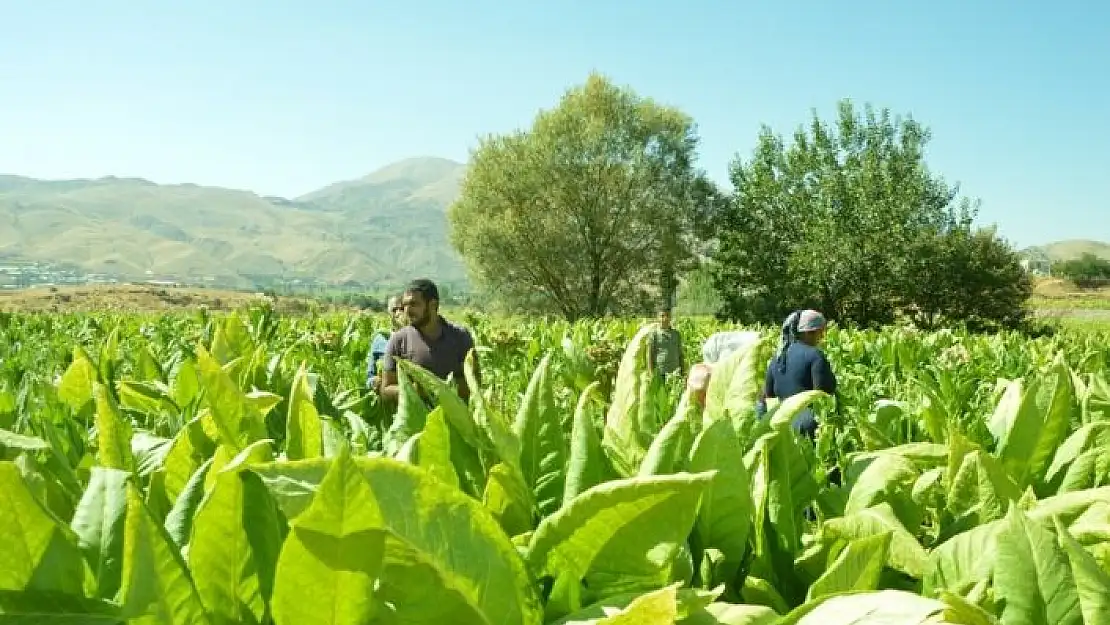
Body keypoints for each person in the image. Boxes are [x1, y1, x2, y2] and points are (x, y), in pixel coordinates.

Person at [379, 279, 478, 401]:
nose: (407, 311)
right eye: (405, 305)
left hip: (454, 417)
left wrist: (443, 388)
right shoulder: (398, 340)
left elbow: (475, 383)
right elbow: (386, 390)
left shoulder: (460, 337)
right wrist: (413, 391)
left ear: (433, 305)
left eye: (414, 304)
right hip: (416, 417)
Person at [755, 309, 838, 440]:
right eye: (821, 333)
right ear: (810, 332)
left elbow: (767, 395)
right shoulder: (815, 355)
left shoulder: (778, 357)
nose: (822, 338)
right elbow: (822, 396)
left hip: (778, 425)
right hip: (804, 427)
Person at [366, 295, 406, 390]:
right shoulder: (380, 339)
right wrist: (373, 382)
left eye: (402, 309)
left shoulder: (416, 338)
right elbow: (369, 377)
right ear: (389, 313)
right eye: (394, 310)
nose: (398, 313)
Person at [646, 307, 685, 380]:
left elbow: (680, 354)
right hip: (660, 372)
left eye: (667, 316)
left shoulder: (676, 334)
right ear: (658, 318)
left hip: (675, 372)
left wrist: (683, 372)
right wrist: (651, 373)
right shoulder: (654, 334)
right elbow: (650, 355)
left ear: (670, 318)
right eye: (662, 316)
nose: (665, 318)